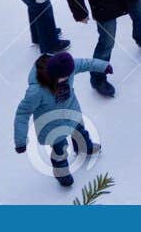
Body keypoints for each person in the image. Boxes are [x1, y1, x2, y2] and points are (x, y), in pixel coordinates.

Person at [13, 50, 105, 188]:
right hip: (52, 126)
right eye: (64, 77)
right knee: (60, 151)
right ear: (54, 75)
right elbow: (23, 114)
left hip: (72, 113)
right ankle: (62, 173)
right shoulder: (37, 91)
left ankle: (85, 147)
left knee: (80, 131)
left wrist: (103, 66)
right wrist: (20, 141)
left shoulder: (68, 67)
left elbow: (86, 63)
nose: (68, 78)